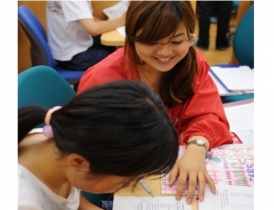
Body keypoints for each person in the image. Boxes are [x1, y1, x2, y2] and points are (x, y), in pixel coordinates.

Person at [77, 1, 233, 204]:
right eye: (152, 42)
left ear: (190, 36)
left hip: (171, 169)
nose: (165, 52)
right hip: (123, 179)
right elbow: (89, 148)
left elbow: (209, 114)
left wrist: (196, 147)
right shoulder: (102, 79)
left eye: (177, 41)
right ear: (131, 37)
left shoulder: (192, 62)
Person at [18, 80, 179, 210]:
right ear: (79, 162)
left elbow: (69, 196)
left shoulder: (61, 144)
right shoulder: (22, 201)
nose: (131, 185)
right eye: (125, 181)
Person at [46, 1, 126, 70]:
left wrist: (112, 23)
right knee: (119, 58)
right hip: (71, 57)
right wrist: (121, 20)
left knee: (113, 46)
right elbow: (93, 29)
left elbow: (86, 17)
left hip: (71, 44)